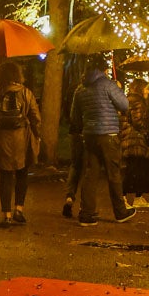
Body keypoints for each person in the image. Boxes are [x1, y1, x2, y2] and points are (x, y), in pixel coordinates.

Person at [70, 54, 135, 226]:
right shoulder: (108, 84)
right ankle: (120, 212)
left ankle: (87, 214)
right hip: (109, 135)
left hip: (90, 135)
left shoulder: (80, 89)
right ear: (103, 68)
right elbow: (125, 105)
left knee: (91, 174)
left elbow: (74, 116)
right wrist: (118, 89)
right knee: (114, 173)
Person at [0, 60, 41, 225]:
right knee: (22, 173)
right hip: (22, 137)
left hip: (2, 138)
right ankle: (19, 209)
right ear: (18, 75)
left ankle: (6, 214)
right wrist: (37, 135)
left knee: (5, 175)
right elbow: (35, 117)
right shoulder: (26, 93)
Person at [119, 78, 149, 208]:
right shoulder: (137, 101)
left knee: (138, 169)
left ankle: (137, 197)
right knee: (134, 169)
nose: (148, 90)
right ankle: (124, 198)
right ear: (140, 88)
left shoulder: (131, 100)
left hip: (132, 139)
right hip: (134, 140)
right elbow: (138, 122)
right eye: (146, 88)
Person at [62, 67, 88, 219]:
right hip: (87, 131)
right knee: (87, 167)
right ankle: (85, 206)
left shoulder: (73, 89)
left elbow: (68, 111)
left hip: (74, 131)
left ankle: (69, 196)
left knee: (75, 165)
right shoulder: (87, 91)